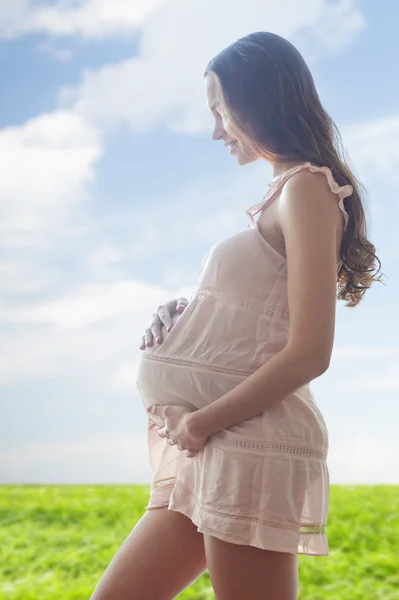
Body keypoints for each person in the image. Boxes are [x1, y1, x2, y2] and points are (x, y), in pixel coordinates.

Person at [90, 31, 381, 600]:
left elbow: (310, 351)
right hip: (219, 446)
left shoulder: (307, 190)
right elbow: (259, 315)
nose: (216, 130)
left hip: (245, 441)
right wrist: (186, 315)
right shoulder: (281, 196)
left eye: (221, 111)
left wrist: (199, 423)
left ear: (259, 102)